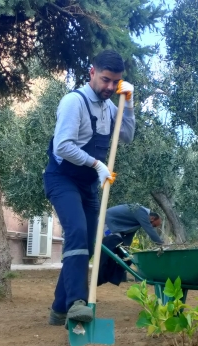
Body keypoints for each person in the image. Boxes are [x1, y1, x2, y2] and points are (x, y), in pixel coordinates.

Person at [44, 50, 136, 326]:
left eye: (115, 83)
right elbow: (62, 146)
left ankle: (59, 309)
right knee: (78, 232)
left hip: (87, 186)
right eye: (105, 80)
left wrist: (128, 104)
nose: (109, 87)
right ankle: (76, 304)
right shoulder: (75, 102)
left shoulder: (110, 108)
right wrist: (97, 165)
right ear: (91, 73)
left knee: (90, 242)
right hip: (62, 179)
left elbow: (128, 136)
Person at [97, 204, 163, 286]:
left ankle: (111, 277)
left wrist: (126, 249)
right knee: (114, 241)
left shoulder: (138, 220)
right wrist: (161, 244)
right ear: (152, 218)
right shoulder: (141, 211)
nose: (152, 227)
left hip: (116, 226)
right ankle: (101, 277)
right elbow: (149, 230)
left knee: (127, 259)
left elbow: (129, 234)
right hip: (107, 221)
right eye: (154, 225)